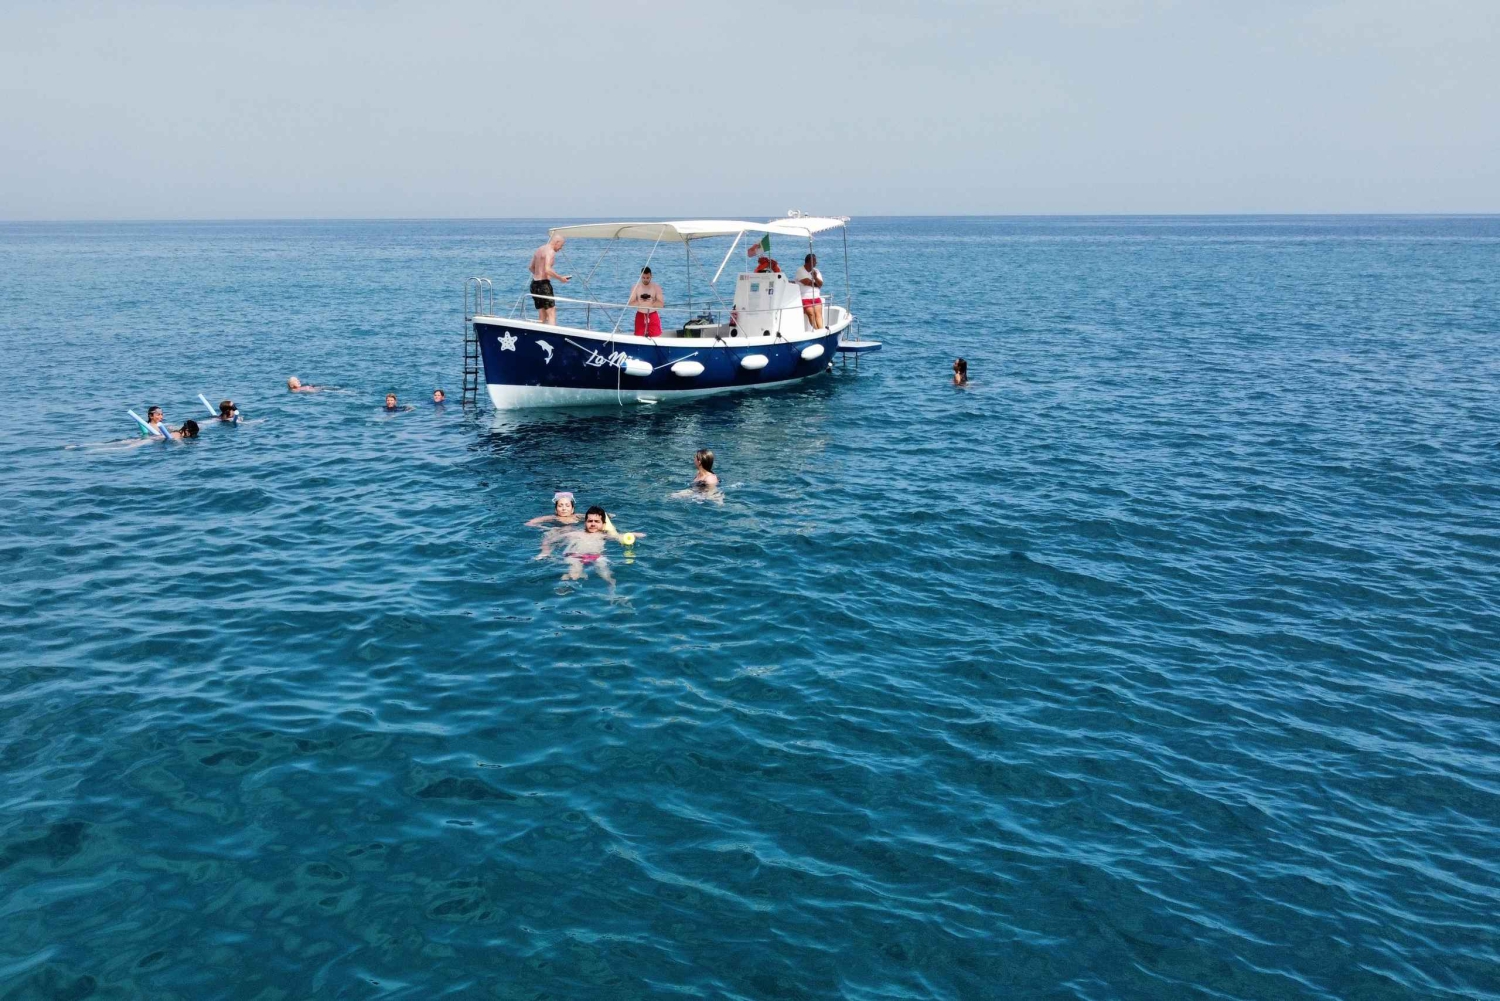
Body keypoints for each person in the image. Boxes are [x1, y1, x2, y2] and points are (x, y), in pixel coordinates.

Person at [536, 505, 616, 590]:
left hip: (596, 556)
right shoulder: (576, 533)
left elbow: (619, 538)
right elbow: (551, 537)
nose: (593, 524)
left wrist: (631, 535)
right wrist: (545, 551)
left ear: (603, 524)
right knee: (575, 573)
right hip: (575, 556)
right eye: (590, 521)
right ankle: (565, 584)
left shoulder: (604, 535)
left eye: (596, 521)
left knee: (606, 575)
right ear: (585, 522)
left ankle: (613, 592)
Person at [529, 234, 571, 326]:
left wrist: (538, 275)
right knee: (551, 313)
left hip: (534, 285)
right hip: (543, 285)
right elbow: (547, 269)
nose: (561, 248)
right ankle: (553, 336)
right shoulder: (550, 252)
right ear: (557, 242)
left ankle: (540, 335)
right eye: (561, 245)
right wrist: (561, 278)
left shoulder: (539, 249)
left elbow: (531, 267)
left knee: (542, 314)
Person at [629, 267, 665, 338]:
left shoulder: (656, 287)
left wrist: (651, 302)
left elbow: (661, 304)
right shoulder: (635, 287)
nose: (645, 280)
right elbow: (631, 303)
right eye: (643, 277)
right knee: (638, 338)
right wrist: (641, 303)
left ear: (651, 276)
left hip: (653, 315)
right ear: (641, 276)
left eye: (647, 277)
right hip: (640, 315)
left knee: (656, 337)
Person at [796, 253, 824, 330]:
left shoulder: (816, 271)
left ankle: (821, 330)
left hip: (816, 296)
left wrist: (815, 278)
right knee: (811, 313)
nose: (816, 263)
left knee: (818, 314)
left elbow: (820, 284)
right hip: (805, 298)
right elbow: (807, 282)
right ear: (810, 261)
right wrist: (816, 284)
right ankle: (816, 329)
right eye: (815, 261)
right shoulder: (800, 270)